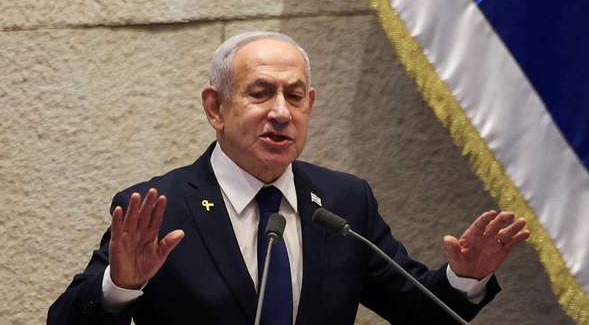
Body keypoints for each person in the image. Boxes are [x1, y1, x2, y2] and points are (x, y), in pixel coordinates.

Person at [47, 31, 529, 324]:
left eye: (295, 97)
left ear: (310, 106)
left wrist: (465, 277)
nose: (281, 113)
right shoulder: (158, 208)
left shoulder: (344, 201)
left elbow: (419, 312)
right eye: (261, 93)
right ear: (215, 107)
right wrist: (120, 286)